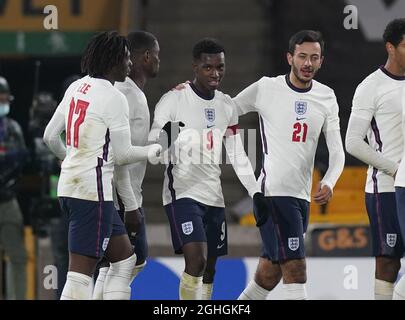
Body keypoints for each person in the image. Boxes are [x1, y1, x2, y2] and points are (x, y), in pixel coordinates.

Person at [43, 31, 162, 300]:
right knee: (79, 275)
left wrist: (70, 159)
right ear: (114, 60)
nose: (130, 64)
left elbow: (50, 136)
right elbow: (122, 154)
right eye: (127, 58)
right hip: (92, 193)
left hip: (71, 188)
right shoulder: (114, 97)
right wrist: (151, 151)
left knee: (124, 260)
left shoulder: (76, 87)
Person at [148, 38, 268, 300]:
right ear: (195, 66)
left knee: (211, 270)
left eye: (220, 67)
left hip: (213, 196)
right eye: (208, 67)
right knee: (197, 261)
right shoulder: (174, 99)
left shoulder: (226, 105)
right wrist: (169, 134)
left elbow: (237, 153)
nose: (215, 73)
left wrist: (255, 192)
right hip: (182, 192)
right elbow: (153, 146)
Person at [235, 30, 345, 300]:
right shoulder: (266, 87)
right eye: (302, 56)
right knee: (295, 268)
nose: (308, 63)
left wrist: (329, 181)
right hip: (273, 192)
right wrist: (193, 95)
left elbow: (337, 152)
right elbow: (228, 110)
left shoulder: (326, 97)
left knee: (269, 272)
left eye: (314, 58)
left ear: (321, 61)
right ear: (289, 58)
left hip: (301, 196)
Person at [92, 31, 160, 299]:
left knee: (115, 264)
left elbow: (134, 146)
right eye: (156, 55)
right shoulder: (125, 95)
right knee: (131, 259)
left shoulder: (131, 94)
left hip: (121, 192)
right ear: (145, 57)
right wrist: (130, 204)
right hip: (120, 194)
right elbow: (119, 155)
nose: (158, 61)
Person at [346, 18, 405, 300]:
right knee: (389, 262)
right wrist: (395, 169)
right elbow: (353, 141)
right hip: (386, 188)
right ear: (390, 48)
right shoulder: (371, 86)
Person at [0, 76, 28, 300]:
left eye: (4, 98)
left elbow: (22, 159)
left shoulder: (13, 128)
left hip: (8, 199)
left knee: (17, 257)